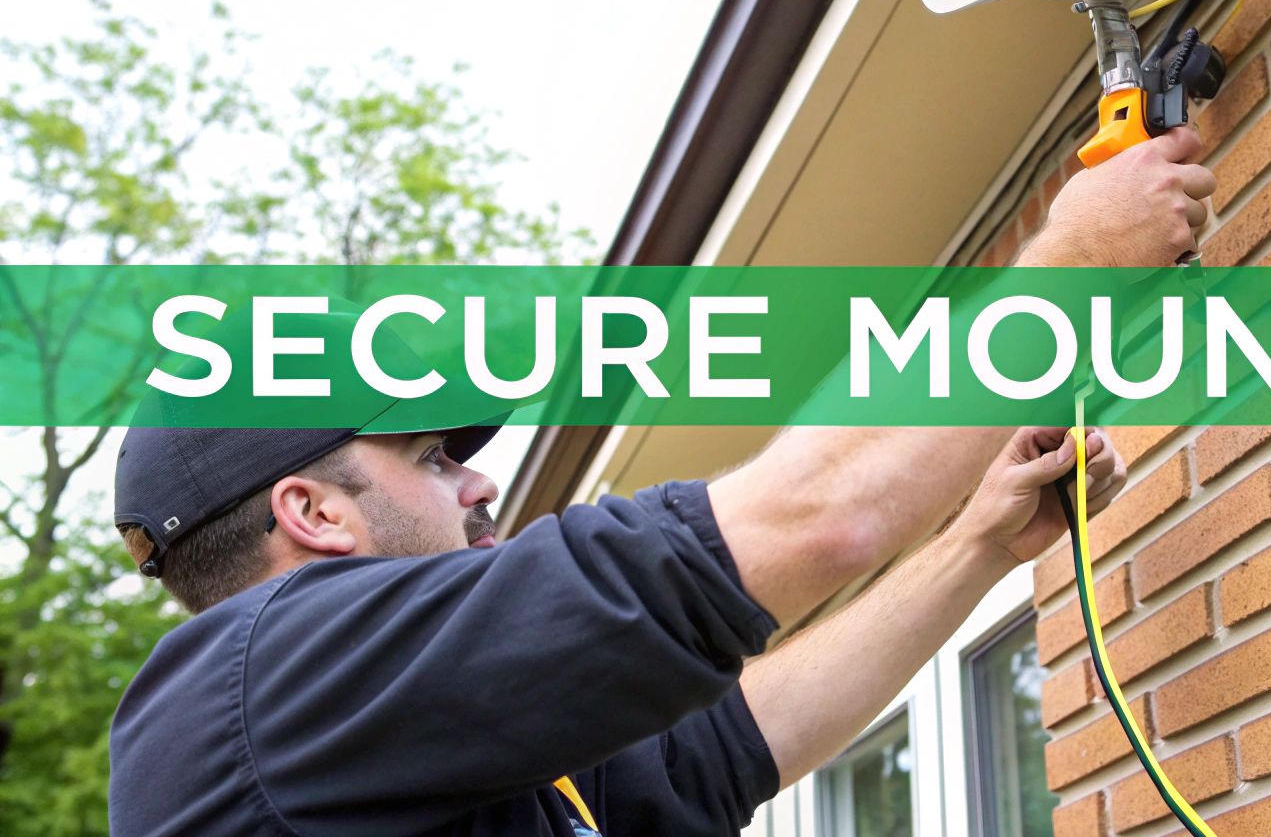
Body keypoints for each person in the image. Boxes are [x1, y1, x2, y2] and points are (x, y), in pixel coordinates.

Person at [107, 127, 1214, 835]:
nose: (479, 481)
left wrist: (974, 547)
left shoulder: (398, 737)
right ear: (311, 512)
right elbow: (810, 518)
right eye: (429, 458)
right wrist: (1075, 261)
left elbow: (725, 748)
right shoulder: (256, 691)